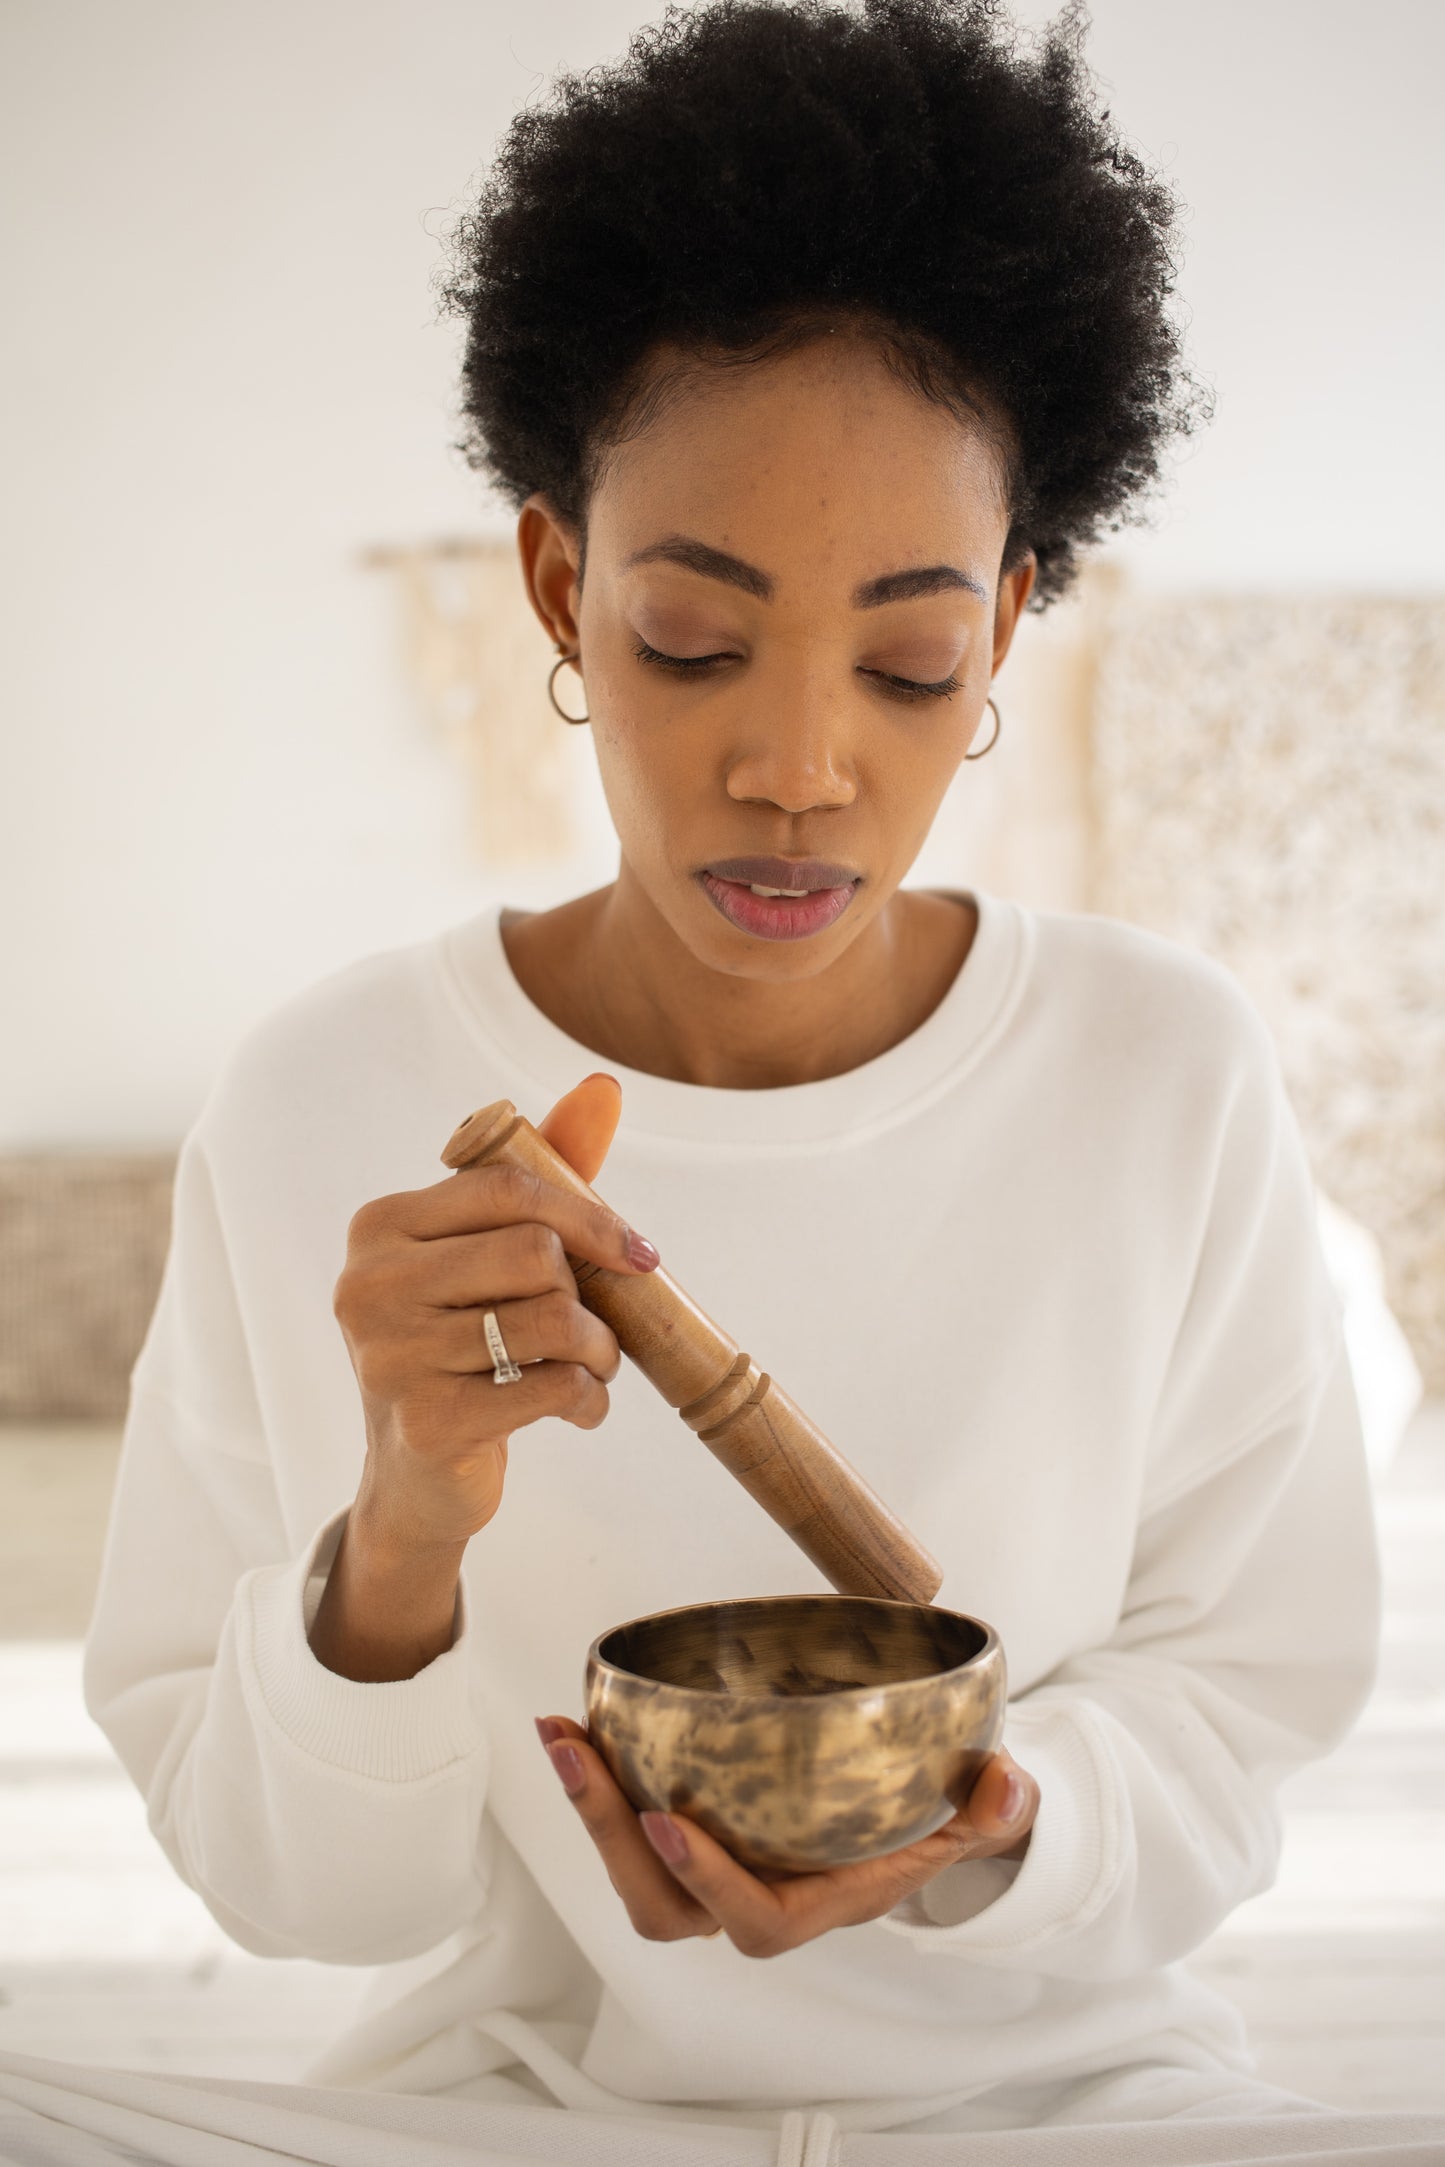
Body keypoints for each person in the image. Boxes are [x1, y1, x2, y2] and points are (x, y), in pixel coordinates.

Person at [52, 1, 1419, 2159]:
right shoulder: (330, 1098)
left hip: (1075, 2098)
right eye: (691, 639)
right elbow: (296, 1893)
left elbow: (1239, 1713)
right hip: (516, 2099)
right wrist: (402, 1530)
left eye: (908, 660)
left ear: (1011, 621)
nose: (797, 765)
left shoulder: (1163, 1071)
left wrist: (990, 1832)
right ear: (560, 588)